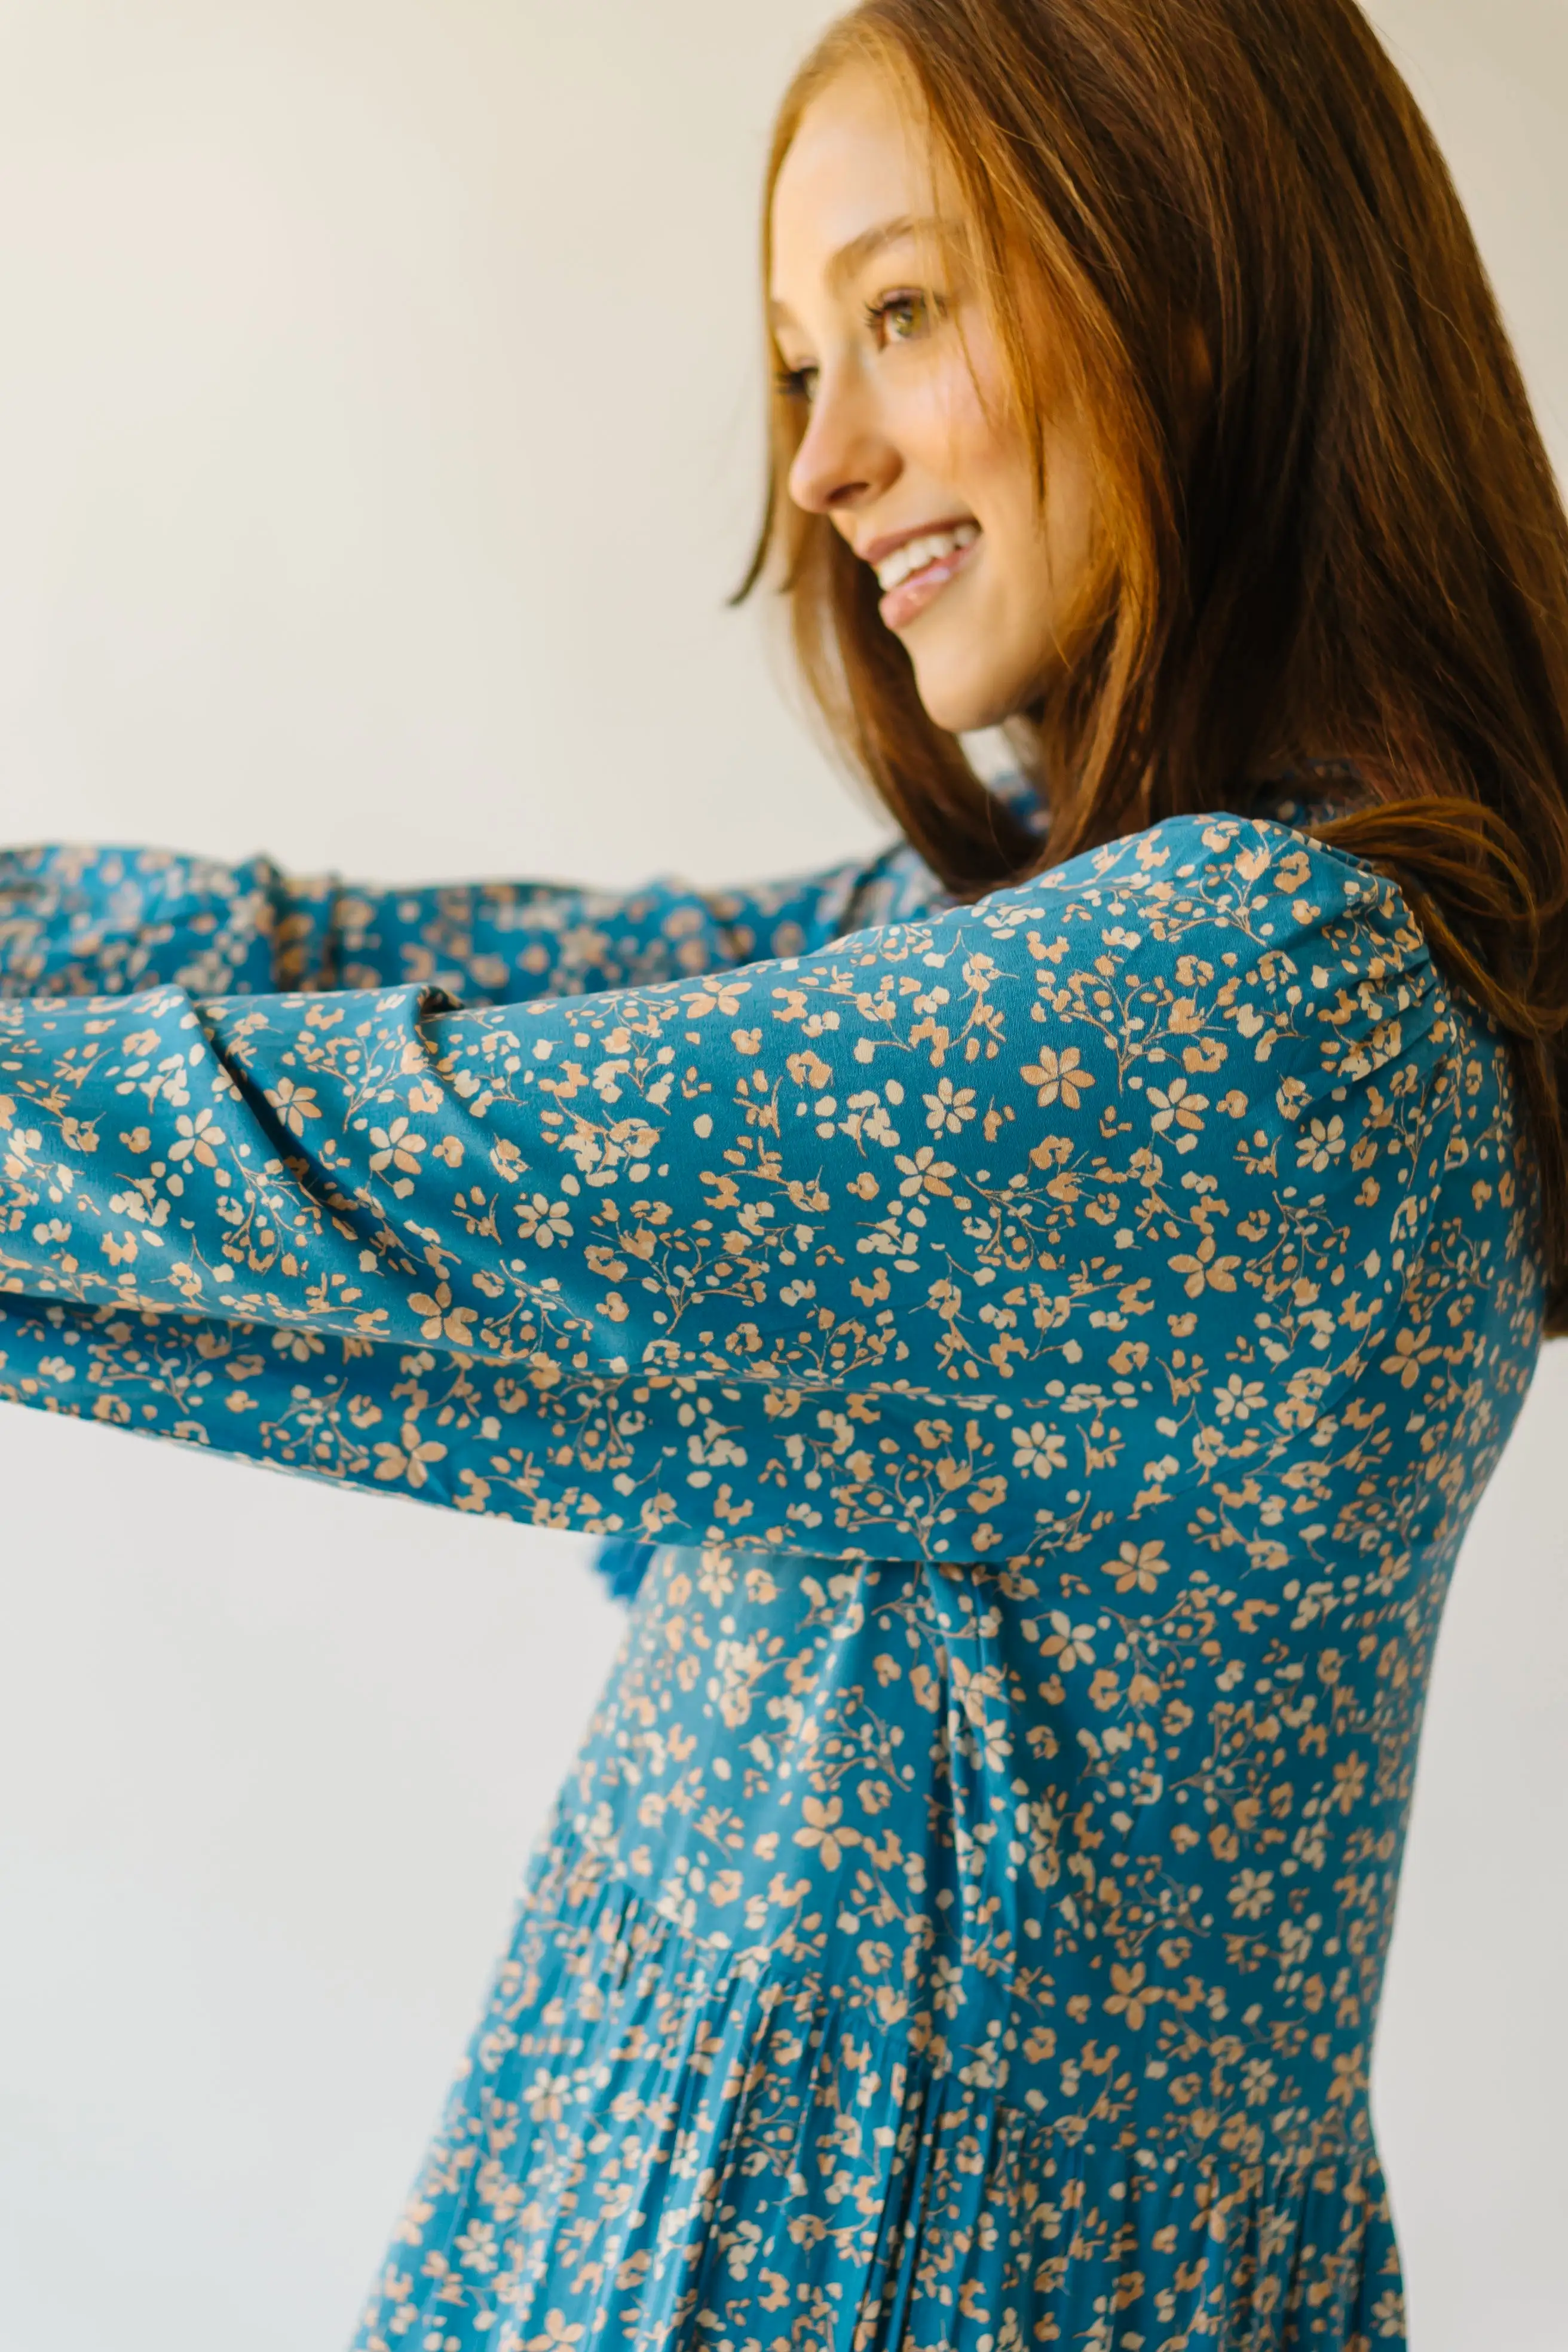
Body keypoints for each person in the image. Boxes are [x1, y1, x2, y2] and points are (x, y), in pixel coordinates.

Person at [2, 0, 1564, 2342]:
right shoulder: (1055, 941)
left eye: (900, 313)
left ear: (1193, 280)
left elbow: (342, 1172)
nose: (818, 465)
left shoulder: (1246, 1025)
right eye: (794, 365)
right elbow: (369, 966)